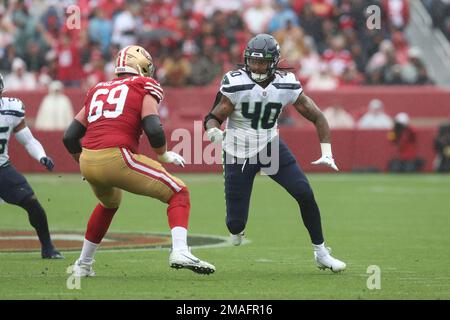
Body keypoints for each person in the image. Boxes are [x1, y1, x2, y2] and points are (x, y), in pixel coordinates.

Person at [63, 45, 215, 277]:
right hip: (116, 156)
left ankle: (83, 264)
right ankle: (181, 251)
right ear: (141, 66)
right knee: (179, 192)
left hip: (88, 159)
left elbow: (70, 136)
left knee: (108, 203)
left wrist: (83, 162)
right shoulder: (144, 85)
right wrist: (163, 154)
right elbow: (153, 127)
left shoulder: (98, 88)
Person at [203, 34, 346, 273]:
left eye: (263, 62)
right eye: (254, 61)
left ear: (274, 61)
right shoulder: (236, 82)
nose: (257, 66)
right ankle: (237, 228)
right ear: (247, 59)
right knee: (235, 224)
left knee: (304, 193)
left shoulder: (286, 83)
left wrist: (327, 151)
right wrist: (213, 132)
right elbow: (213, 117)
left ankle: (321, 252)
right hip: (237, 151)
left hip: (270, 146)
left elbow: (318, 116)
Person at [0, 73, 63, 259]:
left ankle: (48, 248)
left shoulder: (11, 110)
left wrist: (41, 156)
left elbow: (27, 140)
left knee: (32, 204)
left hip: (2, 168)